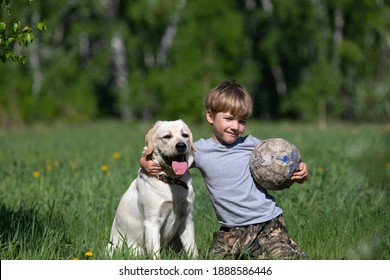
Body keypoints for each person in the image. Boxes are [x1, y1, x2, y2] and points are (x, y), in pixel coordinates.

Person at [140, 80, 309, 260]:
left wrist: (300, 171)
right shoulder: (198, 150)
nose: (235, 127)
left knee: (282, 260)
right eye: (228, 119)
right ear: (210, 117)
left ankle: (285, 249)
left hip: (267, 222)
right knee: (212, 263)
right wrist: (144, 161)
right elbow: (166, 155)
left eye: (242, 121)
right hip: (231, 230)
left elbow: (281, 161)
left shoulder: (253, 145)